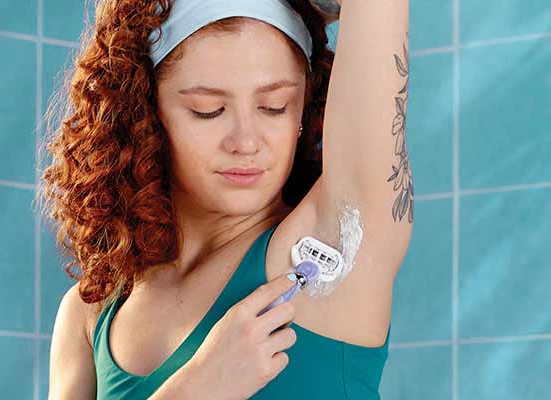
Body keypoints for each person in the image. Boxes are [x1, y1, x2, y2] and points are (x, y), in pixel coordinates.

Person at [41, 0, 411, 398]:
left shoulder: (330, 243)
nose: (246, 142)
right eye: (209, 110)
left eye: (275, 107)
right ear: (144, 114)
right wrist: (199, 387)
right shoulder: (93, 311)